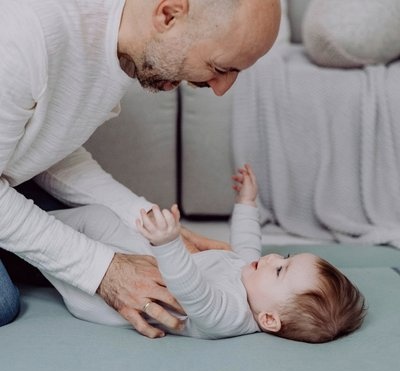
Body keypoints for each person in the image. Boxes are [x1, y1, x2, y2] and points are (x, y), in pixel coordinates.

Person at [0, 0, 281, 336]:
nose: (222, 89)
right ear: (168, 14)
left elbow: (48, 148)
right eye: (220, 67)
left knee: (105, 232)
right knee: (4, 301)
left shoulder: (127, 47)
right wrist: (104, 272)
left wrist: (140, 217)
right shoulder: (23, 35)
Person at [44, 164, 366, 343]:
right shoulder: (252, 280)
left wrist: (170, 243)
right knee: (99, 217)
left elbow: (193, 292)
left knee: (80, 230)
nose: (273, 259)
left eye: (281, 270)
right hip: (141, 262)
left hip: (109, 301)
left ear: (268, 319)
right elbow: (248, 244)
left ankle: (27, 242)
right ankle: (35, 223)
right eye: (286, 257)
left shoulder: (230, 316)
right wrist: (247, 203)